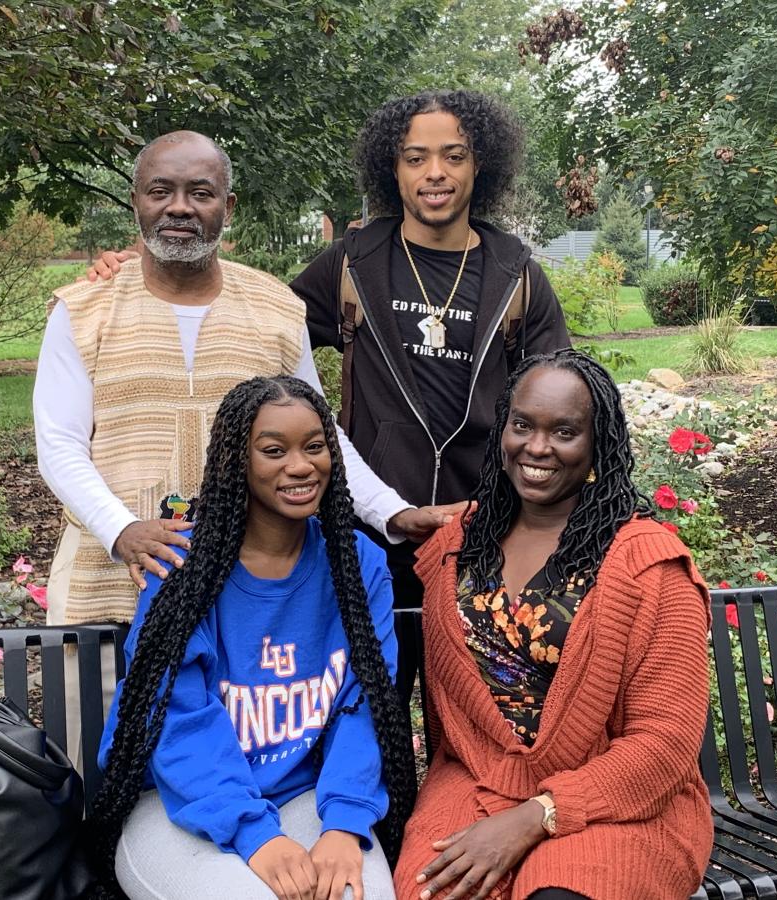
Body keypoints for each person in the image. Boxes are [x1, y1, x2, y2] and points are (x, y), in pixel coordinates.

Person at [87, 91, 570, 625]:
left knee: (471, 697)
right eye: (415, 158)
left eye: (454, 156)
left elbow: (561, 401)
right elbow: (251, 318)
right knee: (370, 687)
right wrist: (152, 264)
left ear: (482, 165)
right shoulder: (352, 264)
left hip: (481, 527)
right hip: (367, 530)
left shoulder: (517, 275)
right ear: (392, 168)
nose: (435, 172)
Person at [34, 130, 451, 632]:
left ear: (227, 206)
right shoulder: (84, 311)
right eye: (160, 191)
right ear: (136, 202)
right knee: (104, 711)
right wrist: (121, 529)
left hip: (245, 593)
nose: (180, 208)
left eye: (201, 193)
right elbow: (60, 443)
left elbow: (319, 434)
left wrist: (392, 513)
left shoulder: (274, 308)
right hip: (107, 585)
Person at [393, 349, 713, 900]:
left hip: (620, 801)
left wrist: (536, 815)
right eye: (523, 425)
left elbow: (665, 744)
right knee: (437, 890)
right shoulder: (457, 545)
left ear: (596, 444)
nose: (537, 447)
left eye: (564, 431)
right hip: (476, 781)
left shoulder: (648, 566)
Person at [90, 375, 417, 900]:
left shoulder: (357, 563)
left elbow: (364, 703)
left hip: (307, 796)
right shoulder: (183, 567)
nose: (300, 465)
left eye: (314, 447)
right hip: (181, 804)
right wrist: (254, 833)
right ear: (235, 461)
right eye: (273, 450)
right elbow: (177, 720)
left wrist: (344, 823)